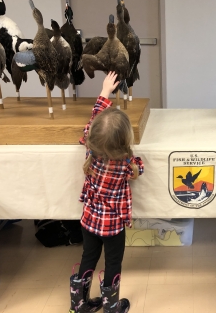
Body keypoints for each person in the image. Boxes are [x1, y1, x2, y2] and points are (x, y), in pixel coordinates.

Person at [69, 72, 144, 313]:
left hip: (89, 222)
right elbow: (138, 168)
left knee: (88, 258)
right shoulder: (125, 165)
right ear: (124, 142)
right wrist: (136, 160)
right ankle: (111, 306)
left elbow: (93, 121)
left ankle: (78, 305)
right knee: (113, 263)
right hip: (112, 228)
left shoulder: (90, 151)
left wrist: (104, 92)